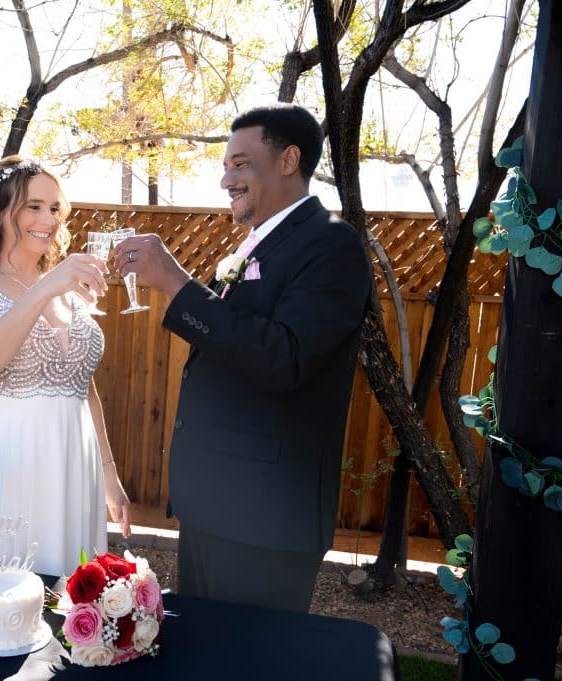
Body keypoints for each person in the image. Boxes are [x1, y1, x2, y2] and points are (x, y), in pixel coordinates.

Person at [111, 104, 371, 612]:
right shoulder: (257, 247)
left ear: (289, 159)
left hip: (266, 518)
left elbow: (285, 359)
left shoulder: (331, 245)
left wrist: (176, 284)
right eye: (227, 166)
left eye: (240, 164)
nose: (226, 178)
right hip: (216, 508)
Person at [0, 156, 131, 578]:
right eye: (34, 206)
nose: (48, 219)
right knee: (0, 593)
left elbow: (81, 385)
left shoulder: (69, 290)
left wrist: (109, 474)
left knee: (69, 598)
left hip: (73, 462)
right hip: (3, 461)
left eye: (55, 208)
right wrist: (44, 289)